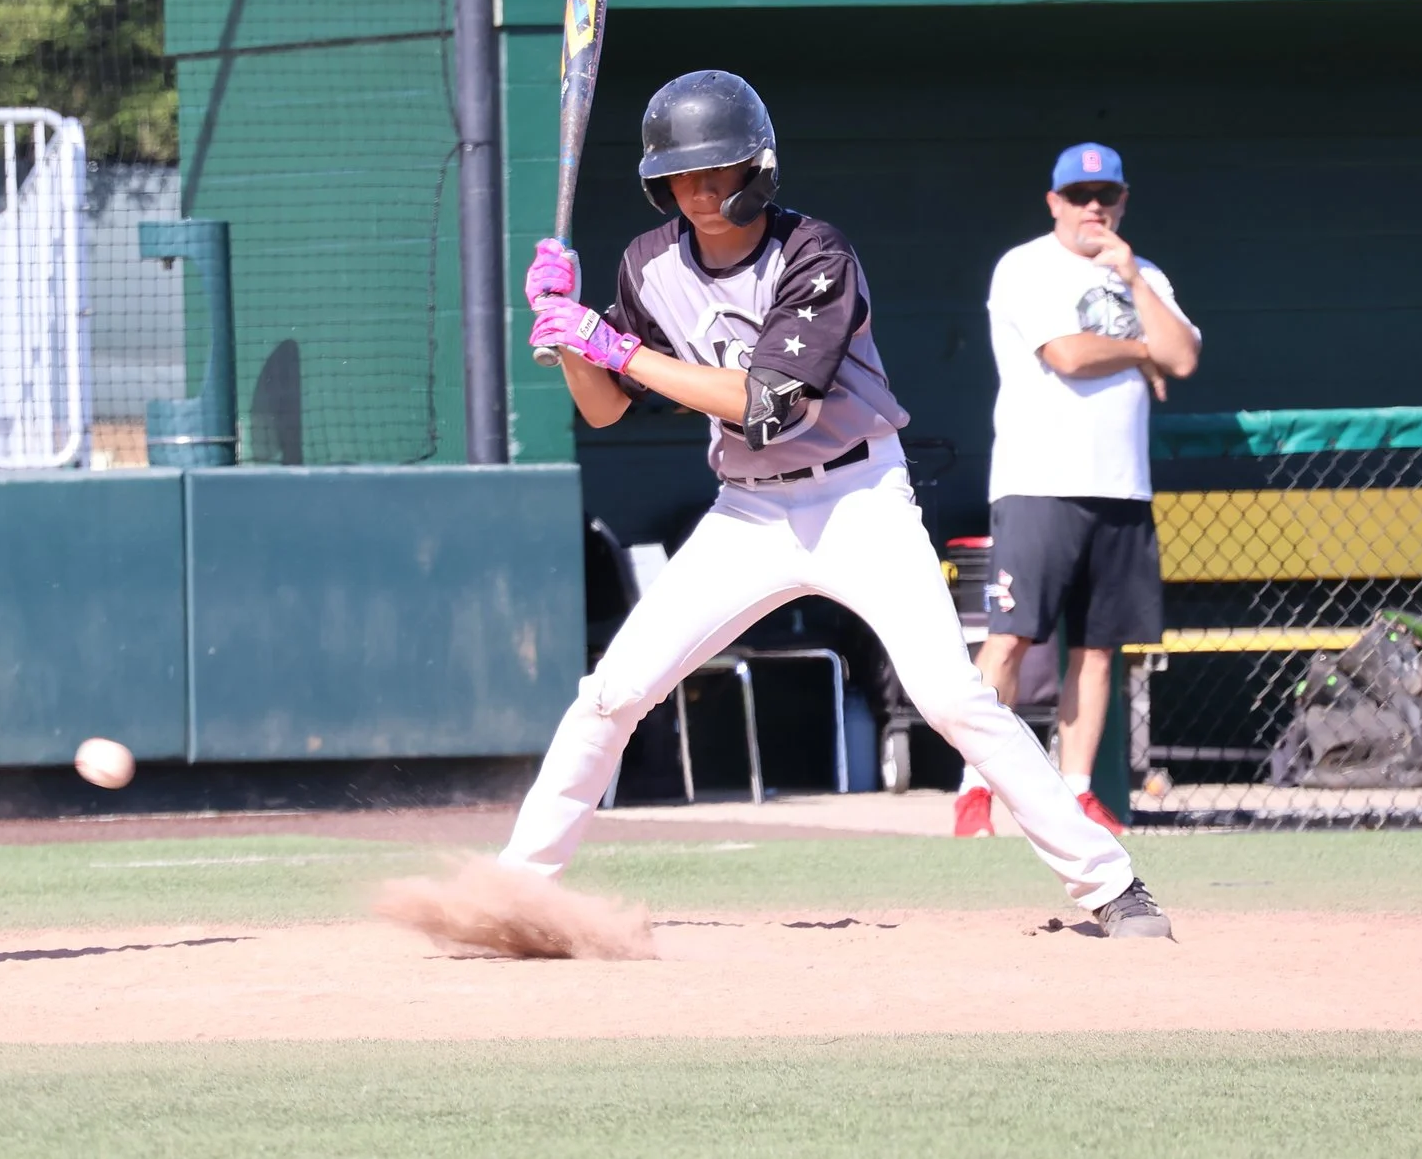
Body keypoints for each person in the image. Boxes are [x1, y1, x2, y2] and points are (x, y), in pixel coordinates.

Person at [512, 71, 1170, 937]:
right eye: (684, 178)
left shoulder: (817, 253)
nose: (703, 194)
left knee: (951, 698)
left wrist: (615, 346)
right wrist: (571, 337)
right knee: (611, 694)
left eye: (721, 172)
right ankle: (518, 889)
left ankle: (1113, 886)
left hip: (858, 496)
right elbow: (603, 406)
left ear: (761, 168)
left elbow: (767, 403)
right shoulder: (648, 264)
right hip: (746, 510)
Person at [957, 144, 1200, 839]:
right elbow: (1066, 354)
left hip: (1121, 487)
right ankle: (976, 788)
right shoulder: (1025, 265)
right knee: (1010, 639)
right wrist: (1140, 348)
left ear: (1122, 201)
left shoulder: (1143, 272)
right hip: (1039, 483)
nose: (1094, 206)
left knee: (1099, 650)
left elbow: (1182, 354)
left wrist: (1133, 279)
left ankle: (1079, 789)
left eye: (1107, 194)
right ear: (1055, 201)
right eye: (1080, 193)